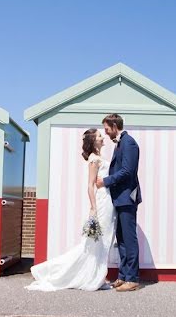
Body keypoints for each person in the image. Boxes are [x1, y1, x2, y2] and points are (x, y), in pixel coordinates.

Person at [26, 128, 117, 291]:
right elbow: (90, 185)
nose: (103, 137)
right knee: (97, 241)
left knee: (105, 240)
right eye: (99, 136)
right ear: (93, 140)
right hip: (102, 200)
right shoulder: (94, 159)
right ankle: (84, 277)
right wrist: (94, 207)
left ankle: (97, 276)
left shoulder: (100, 157)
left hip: (108, 198)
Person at [95, 113, 141, 292]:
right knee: (121, 239)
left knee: (129, 239)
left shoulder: (128, 142)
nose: (106, 133)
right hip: (120, 198)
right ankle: (123, 276)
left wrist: (105, 181)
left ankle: (133, 279)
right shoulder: (120, 143)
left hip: (127, 197)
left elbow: (127, 171)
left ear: (115, 126)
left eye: (107, 129)